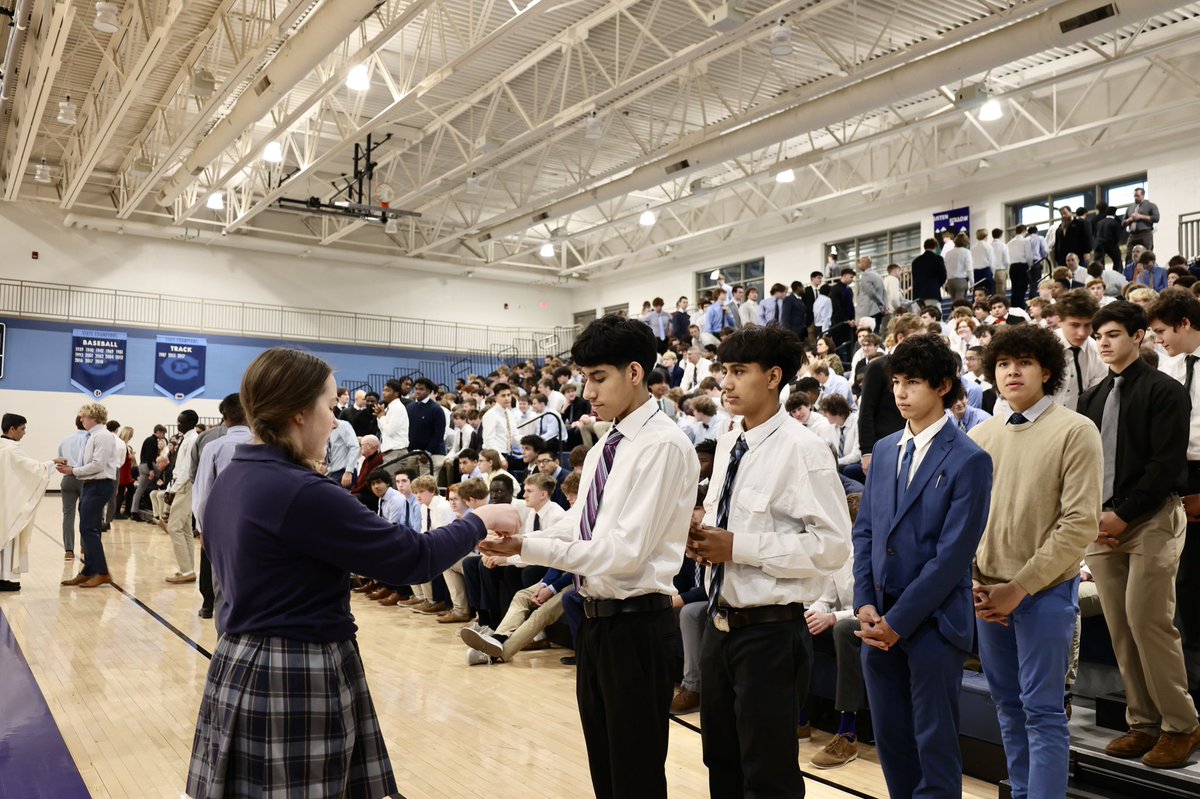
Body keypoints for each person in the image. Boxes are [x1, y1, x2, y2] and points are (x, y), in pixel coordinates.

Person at [186, 348, 519, 798]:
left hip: (238, 657)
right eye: (330, 406)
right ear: (300, 412)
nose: (335, 421)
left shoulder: (233, 477)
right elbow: (413, 558)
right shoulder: (301, 491)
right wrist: (479, 520)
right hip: (294, 669)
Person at [478, 315, 698, 799]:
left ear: (635, 372)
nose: (588, 392)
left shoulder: (662, 444)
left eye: (598, 377)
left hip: (637, 623)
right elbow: (579, 525)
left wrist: (526, 547)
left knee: (635, 777)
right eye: (584, 378)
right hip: (596, 622)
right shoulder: (605, 447)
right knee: (605, 769)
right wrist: (516, 542)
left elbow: (623, 553)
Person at [686, 324, 852, 797]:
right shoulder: (727, 441)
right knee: (721, 760)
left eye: (739, 371)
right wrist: (700, 542)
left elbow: (832, 546)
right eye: (724, 371)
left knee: (768, 774)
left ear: (774, 376)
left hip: (770, 632)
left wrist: (737, 547)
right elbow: (721, 519)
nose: (726, 383)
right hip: (718, 624)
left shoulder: (804, 448)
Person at [852, 334, 992, 799]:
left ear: (943, 386)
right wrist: (864, 601)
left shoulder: (971, 458)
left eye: (912, 382)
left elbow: (952, 557)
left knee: (934, 744)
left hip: (934, 622)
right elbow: (866, 532)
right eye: (896, 382)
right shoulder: (885, 448)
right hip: (878, 617)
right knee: (892, 741)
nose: (900, 392)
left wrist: (898, 622)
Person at [970, 325, 1102, 798]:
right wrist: (973, 580)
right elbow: (967, 520)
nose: (1012, 372)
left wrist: (1019, 587)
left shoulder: (1076, 430)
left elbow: (1079, 525)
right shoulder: (981, 435)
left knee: (1043, 711)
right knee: (1007, 707)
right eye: (1004, 364)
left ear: (1046, 371)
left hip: (1044, 592)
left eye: (1024, 362)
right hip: (988, 594)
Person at [1077, 302, 1200, 768]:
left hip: (1151, 518)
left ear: (1138, 336)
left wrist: (1123, 516)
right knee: (1120, 627)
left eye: (1112, 334)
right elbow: (1086, 465)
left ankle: (1182, 725)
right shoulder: (1090, 397)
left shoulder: (1165, 391)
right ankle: (1143, 723)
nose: (1103, 343)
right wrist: (1094, 516)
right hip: (1101, 522)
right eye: (1098, 337)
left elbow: (1165, 465)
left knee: (1149, 622)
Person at [1148, 290, 1200, 698]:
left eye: (1162, 331)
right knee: (1183, 585)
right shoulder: (1167, 365)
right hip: (1175, 472)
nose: (1158, 339)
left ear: (1184, 323)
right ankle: (1190, 682)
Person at [192, 394, 254, 622]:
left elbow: (202, 495)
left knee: (222, 591)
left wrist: (203, 529)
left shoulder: (213, 447)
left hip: (223, 527)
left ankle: (224, 638)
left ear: (224, 416)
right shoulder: (266, 444)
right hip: (259, 527)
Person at [57, 403, 122, 589]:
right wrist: (73, 469)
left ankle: (102, 572)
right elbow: (90, 464)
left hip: (99, 484)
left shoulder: (103, 436)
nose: (81, 419)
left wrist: (73, 471)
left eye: (83, 416)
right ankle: (88, 571)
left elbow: (98, 465)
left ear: (93, 417)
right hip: (90, 484)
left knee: (89, 529)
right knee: (86, 528)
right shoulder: (93, 435)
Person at [1, 414, 55, 592]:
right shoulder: (10, 450)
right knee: (8, 537)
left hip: (5, 499)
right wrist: (53, 463)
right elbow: (34, 469)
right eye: (22, 429)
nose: (25, 433)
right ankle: (3, 578)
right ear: (12, 429)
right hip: (9, 503)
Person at [1051, 290, 1105, 411]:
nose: (1082, 333)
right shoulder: (1041, 347)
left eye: (1088, 325)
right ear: (1059, 321)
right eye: (1074, 325)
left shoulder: (1098, 351)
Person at [163, 409, 201, 584]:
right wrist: (170, 487)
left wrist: (173, 491)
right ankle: (188, 570)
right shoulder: (186, 438)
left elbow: (186, 469)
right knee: (185, 528)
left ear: (191, 423)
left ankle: (187, 570)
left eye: (181, 422)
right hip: (181, 484)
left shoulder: (192, 440)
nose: (178, 425)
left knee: (173, 527)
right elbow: (178, 468)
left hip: (185, 486)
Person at [57, 417, 89, 557]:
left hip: (68, 479)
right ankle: (84, 546)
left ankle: (68, 550)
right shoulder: (91, 439)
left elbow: (61, 461)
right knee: (86, 515)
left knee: (68, 515)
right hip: (85, 479)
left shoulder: (65, 440)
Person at [1123, 186, 1160, 257]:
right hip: (1132, 235)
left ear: (1143, 195)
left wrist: (1140, 217)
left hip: (1145, 234)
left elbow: (1156, 218)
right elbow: (1123, 222)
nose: (1135, 198)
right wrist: (1130, 219)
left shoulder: (1151, 206)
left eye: (1137, 196)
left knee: (1146, 255)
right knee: (1129, 255)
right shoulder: (1130, 207)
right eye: (1134, 196)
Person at [911, 238, 947, 309]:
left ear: (925, 246)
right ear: (935, 247)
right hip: (932, 293)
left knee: (920, 315)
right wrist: (936, 285)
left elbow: (914, 277)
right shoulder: (938, 259)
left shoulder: (915, 261)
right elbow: (943, 276)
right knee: (934, 314)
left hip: (917, 295)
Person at [944, 232, 973, 302]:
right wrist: (972, 284)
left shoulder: (948, 253)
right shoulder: (966, 252)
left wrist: (945, 283)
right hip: (961, 281)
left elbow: (945, 269)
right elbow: (969, 269)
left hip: (950, 281)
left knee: (954, 303)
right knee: (960, 303)